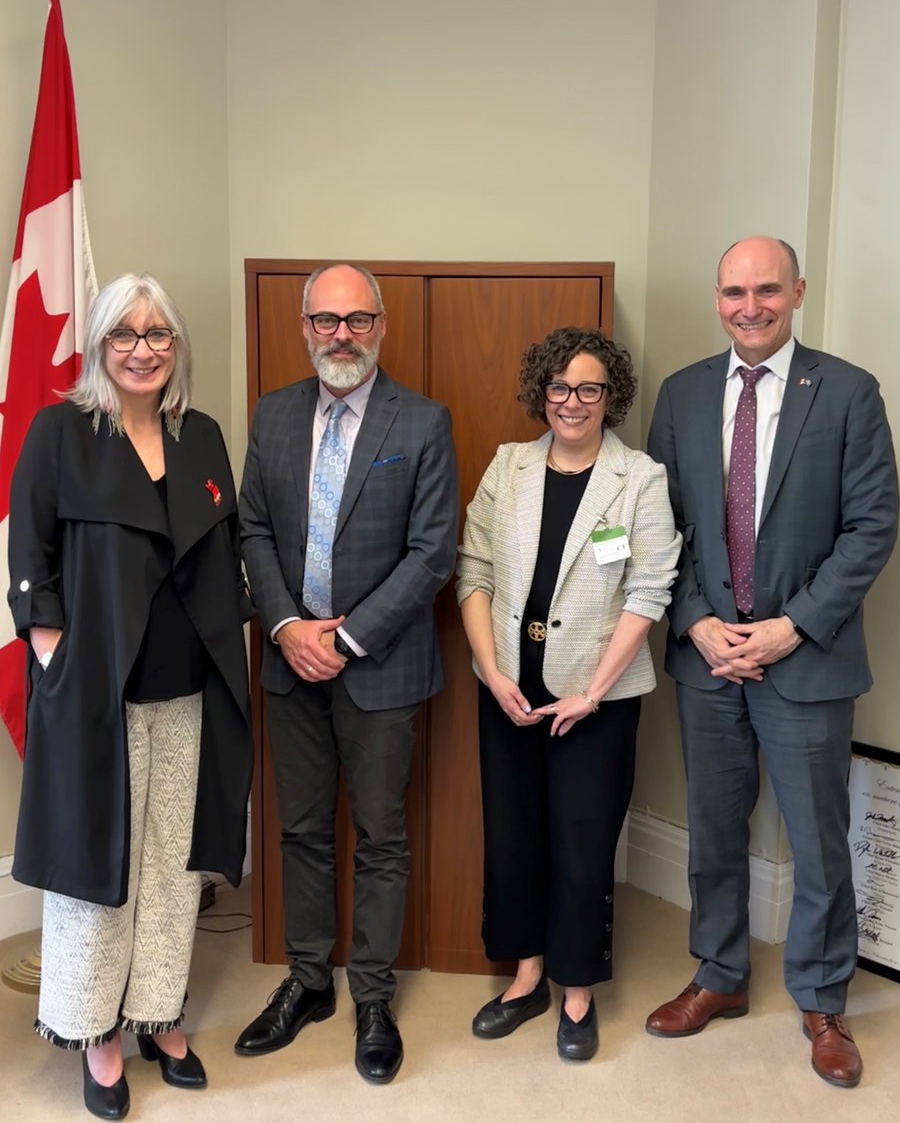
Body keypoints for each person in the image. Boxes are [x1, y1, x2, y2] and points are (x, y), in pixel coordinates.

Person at [645, 236, 898, 1087]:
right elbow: (658, 531)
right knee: (714, 832)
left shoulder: (850, 392)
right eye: (731, 292)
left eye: (764, 291)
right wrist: (694, 622)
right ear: (715, 298)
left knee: (819, 842)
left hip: (806, 657)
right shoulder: (680, 396)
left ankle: (823, 998)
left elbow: (872, 527)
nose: (747, 307)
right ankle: (718, 974)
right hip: (708, 659)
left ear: (794, 292)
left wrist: (794, 625)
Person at [8, 273, 253, 1119]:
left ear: (175, 348)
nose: (143, 350)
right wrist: (54, 654)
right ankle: (96, 1035)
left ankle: (158, 1014)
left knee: (171, 869)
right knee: (97, 868)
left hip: (190, 689)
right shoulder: (60, 433)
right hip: (96, 696)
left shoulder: (202, 435)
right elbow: (28, 554)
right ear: (101, 344)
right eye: (125, 334)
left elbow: (224, 557)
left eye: (158, 335)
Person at [236, 262, 458, 1084]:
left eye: (356, 320)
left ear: (381, 326)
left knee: (380, 837)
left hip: (382, 666)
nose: (340, 334)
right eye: (325, 319)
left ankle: (370, 993)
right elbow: (253, 528)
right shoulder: (274, 416)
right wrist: (289, 626)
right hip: (291, 665)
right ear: (304, 328)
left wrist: (348, 637)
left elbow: (433, 551)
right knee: (298, 830)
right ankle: (306, 980)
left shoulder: (423, 421)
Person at [457, 327, 680, 1061]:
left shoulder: (638, 478)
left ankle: (577, 990)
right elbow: (475, 571)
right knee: (513, 837)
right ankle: (526, 975)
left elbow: (649, 591)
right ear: (540, 394)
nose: (573, 402)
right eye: (559, 388)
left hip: (598, 702)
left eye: (589, 388)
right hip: (510, 692)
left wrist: (592, 690)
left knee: (583, 848)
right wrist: (491, 672)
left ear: (610, 395)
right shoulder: (508, 466)